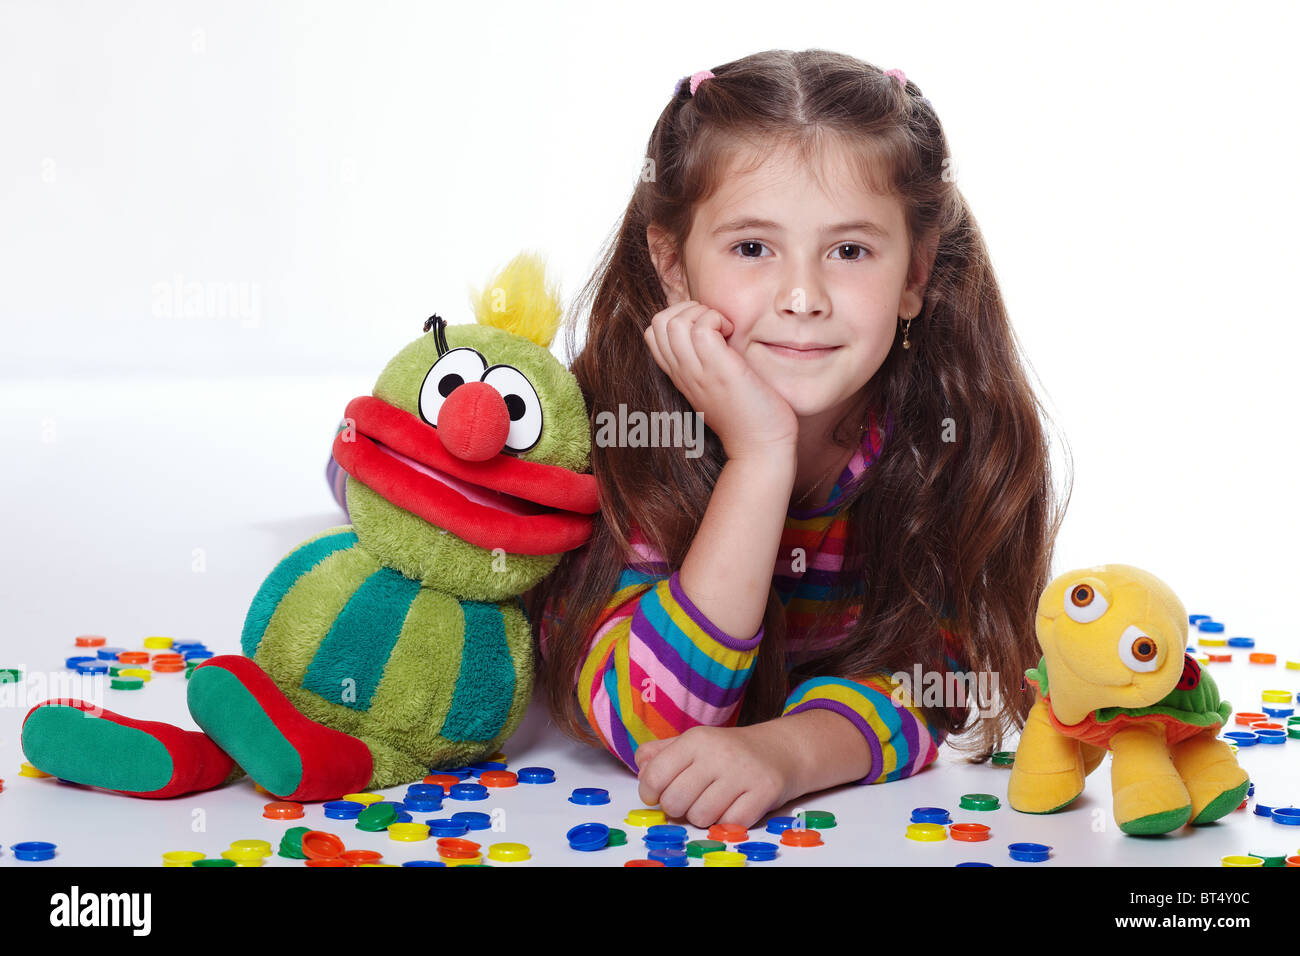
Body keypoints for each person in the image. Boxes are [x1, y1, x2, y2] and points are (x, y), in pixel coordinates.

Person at [326, 49, 1068, 830]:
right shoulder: (618, 439)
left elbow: (931, 680)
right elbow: (655, 721)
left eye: (849, 251)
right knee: (421, 491)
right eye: (753, 248)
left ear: (915, 274)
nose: (803, 297)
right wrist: (759, 456)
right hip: (466, 484)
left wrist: (787, 752)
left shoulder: (941, 443)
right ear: (673, 265)